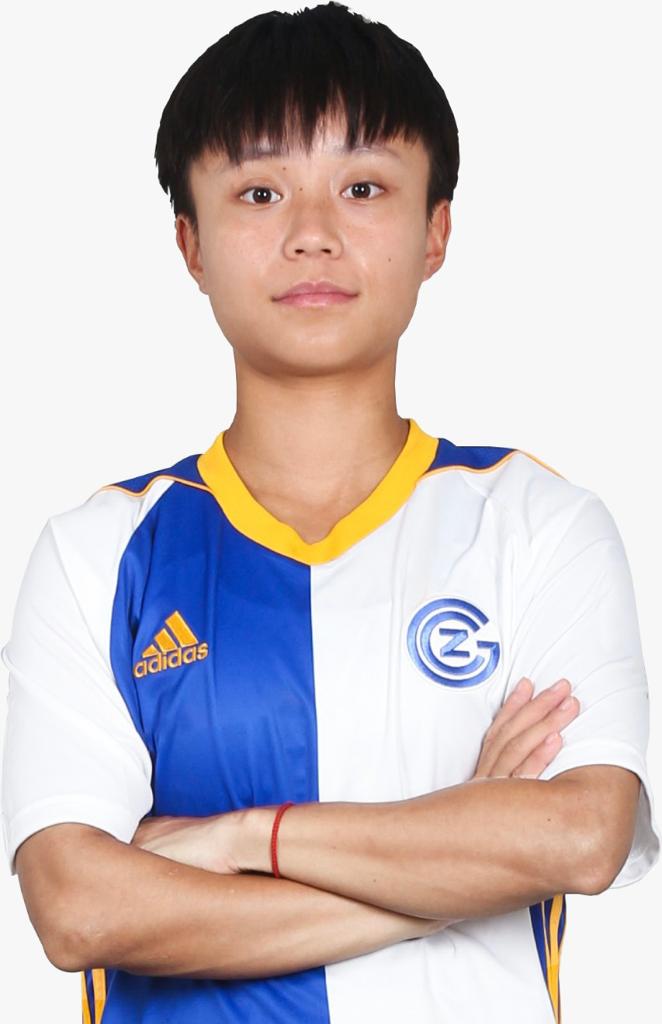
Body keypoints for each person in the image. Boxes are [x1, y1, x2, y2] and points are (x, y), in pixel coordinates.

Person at [1, 3, 658, 1022]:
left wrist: (235, 839)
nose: (311, 234)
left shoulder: (540, 525)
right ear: (189, 243)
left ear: (435, 230)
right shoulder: (96, 554)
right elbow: (80, 908)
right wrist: (458, 858)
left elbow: (577, 837)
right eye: (259, 192)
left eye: (362, 188)